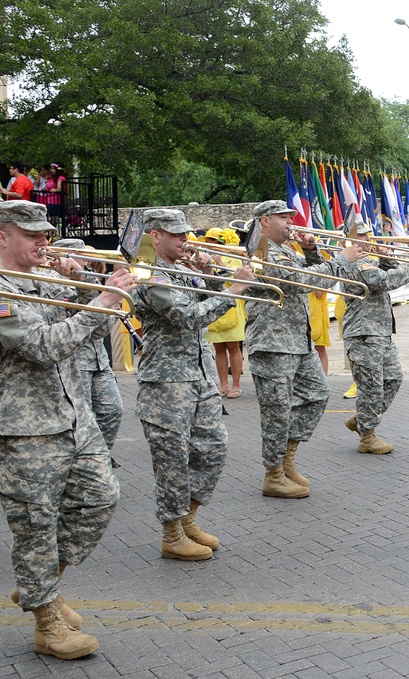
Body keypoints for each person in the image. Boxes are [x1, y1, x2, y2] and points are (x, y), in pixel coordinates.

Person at [0, 200, 137, 659]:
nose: (44, 241)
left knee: (102, 497)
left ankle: (40, 584)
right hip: (26, 428)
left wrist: (85, 289)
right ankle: (46, 622)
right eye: (32, 235)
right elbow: (43, 347)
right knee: (35, 526)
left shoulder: (48, 279)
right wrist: (99, 304)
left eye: (45, 233)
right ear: (2, 237)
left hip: (73, 415)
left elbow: (94, 335)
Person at [132, 208, 255, 561]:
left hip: (198, 377)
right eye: (178, 234)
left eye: (186, 233)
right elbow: (191, 317)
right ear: (155, 236)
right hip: (166, 383)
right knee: (171, 461)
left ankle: (188, 518)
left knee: (213, 448)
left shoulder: (182, 268)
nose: (186, 239)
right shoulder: (150, 274)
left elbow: (206, 299)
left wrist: (212, 275)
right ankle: (171, 533)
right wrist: (235, 289)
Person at [244, 200, 361, 497]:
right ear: (265, 221)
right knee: (277, 412)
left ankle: (287, 457)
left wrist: (310, 252)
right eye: (283, 217)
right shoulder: (260, 249)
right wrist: (341, 259)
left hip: (297, 340)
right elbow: (295, 282)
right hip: (273, 343)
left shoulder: (286, 249)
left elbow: (311, 280)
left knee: (317, 393)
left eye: (290, 217)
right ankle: (273, 474)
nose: (290, 222)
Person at [339, 218, 409, 454]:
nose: (368, 240)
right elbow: (381, 282)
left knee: (393, 378)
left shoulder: (367, 259)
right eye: (362, 236)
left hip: (380, 331)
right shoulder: (355, 262)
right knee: (371, 387)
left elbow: (385, 271)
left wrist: (387, 256)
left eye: (369, 235)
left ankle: (362, 420)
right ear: (348, 239)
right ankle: (367, 436)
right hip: (364, 332)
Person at [56, 240, 126, 467]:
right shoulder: (57, 282)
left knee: (112, 410)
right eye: (81, 256)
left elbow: (102, 330)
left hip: (98, 359)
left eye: (86, 257)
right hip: (76, 361)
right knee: (81, 417)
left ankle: (98, 458)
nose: (87, 262)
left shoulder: (91, 279)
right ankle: (83, 464)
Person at [201, 227, 245, 398]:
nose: (208, 245)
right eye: (208, 242)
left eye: (212, 241)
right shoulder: (205, 257)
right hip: (214, 305)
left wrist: (219, 263)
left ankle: (236, 385)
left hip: (232, 307)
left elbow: (235, 279)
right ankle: (223, 385)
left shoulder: (234, 257)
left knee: (233, 347)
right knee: (218, 348)